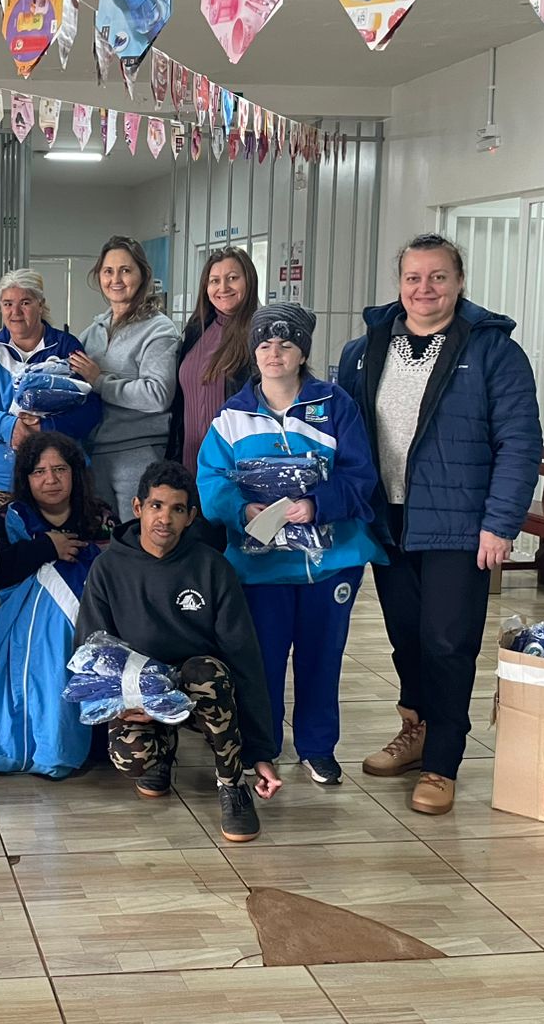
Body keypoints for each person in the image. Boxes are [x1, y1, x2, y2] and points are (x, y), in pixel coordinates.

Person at [337, 233, 541, 816]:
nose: (424, 288)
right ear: (399, 283)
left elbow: (520, 443)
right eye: (413, 277)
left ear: (459, 281)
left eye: (437, 277)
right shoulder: (365, 348)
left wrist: (500, 523)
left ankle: (443, 762)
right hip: (389, 518)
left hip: (461, 524)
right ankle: (417, 729)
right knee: (405, 637)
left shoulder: (494, 352)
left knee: (448, 642)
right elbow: (344, 432)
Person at [196, 304, 386, 786]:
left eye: (286, 344)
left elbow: (360, 475)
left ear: (303, 352)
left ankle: (317, 748)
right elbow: (210, 480)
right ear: (253, 352)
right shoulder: (232, 417)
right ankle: (262, 746)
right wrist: (242, 511)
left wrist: (316, 504)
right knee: (262, 660)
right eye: (264, 344)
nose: (274, 353)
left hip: (331, 562)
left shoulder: (336, 405)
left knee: (322, 657)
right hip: (259, 568)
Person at [75, 460, 282, 842]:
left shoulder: (213, 568)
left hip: (198, 688)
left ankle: (232, 785)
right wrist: (125, 704)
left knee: (208, 673)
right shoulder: (107, 569)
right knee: (131, 758)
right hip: (139, 692)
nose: (165, 518)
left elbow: (246, 661)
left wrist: (259, 752)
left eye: (177, 509)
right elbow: (91, 654)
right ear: (138, 507)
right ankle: (160, 755)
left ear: (191, 517)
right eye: (156, 505)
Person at [0, 433, 112, 778]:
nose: (51, 479)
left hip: (83, 631)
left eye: (60, 469)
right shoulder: (8, 519)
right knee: (43, 628)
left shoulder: (99, 517)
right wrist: (45, 548)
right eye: (39, 471)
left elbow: (117, 578)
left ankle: (59, 735)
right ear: (26, 478)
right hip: (4, 629)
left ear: (75, 473)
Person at [0, 267, 102, 519]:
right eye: (8, 303)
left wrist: (44, 428)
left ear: (41, 304)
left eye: (25, 302)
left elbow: (89, 409)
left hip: (55, 480)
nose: (15, 312)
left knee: (60, 542)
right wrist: (10, 427)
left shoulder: (66, 347)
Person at [70, 236, 180, 522]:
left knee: (134, 540)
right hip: (95, 456)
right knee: (101, 541)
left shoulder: (158, 330)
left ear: (142, 275)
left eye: (125, 270)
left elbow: (157, 395)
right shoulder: (93, 331)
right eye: (108, 271)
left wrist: (100, 381)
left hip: (138, 456)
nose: (115, 279)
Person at [168, 247, 260, 471]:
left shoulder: (260, 334)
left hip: (235, 464)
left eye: (232, 278)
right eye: (214, 281)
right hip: (189, 460)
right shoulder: (197, 329)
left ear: (249, 281)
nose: (223, 288)